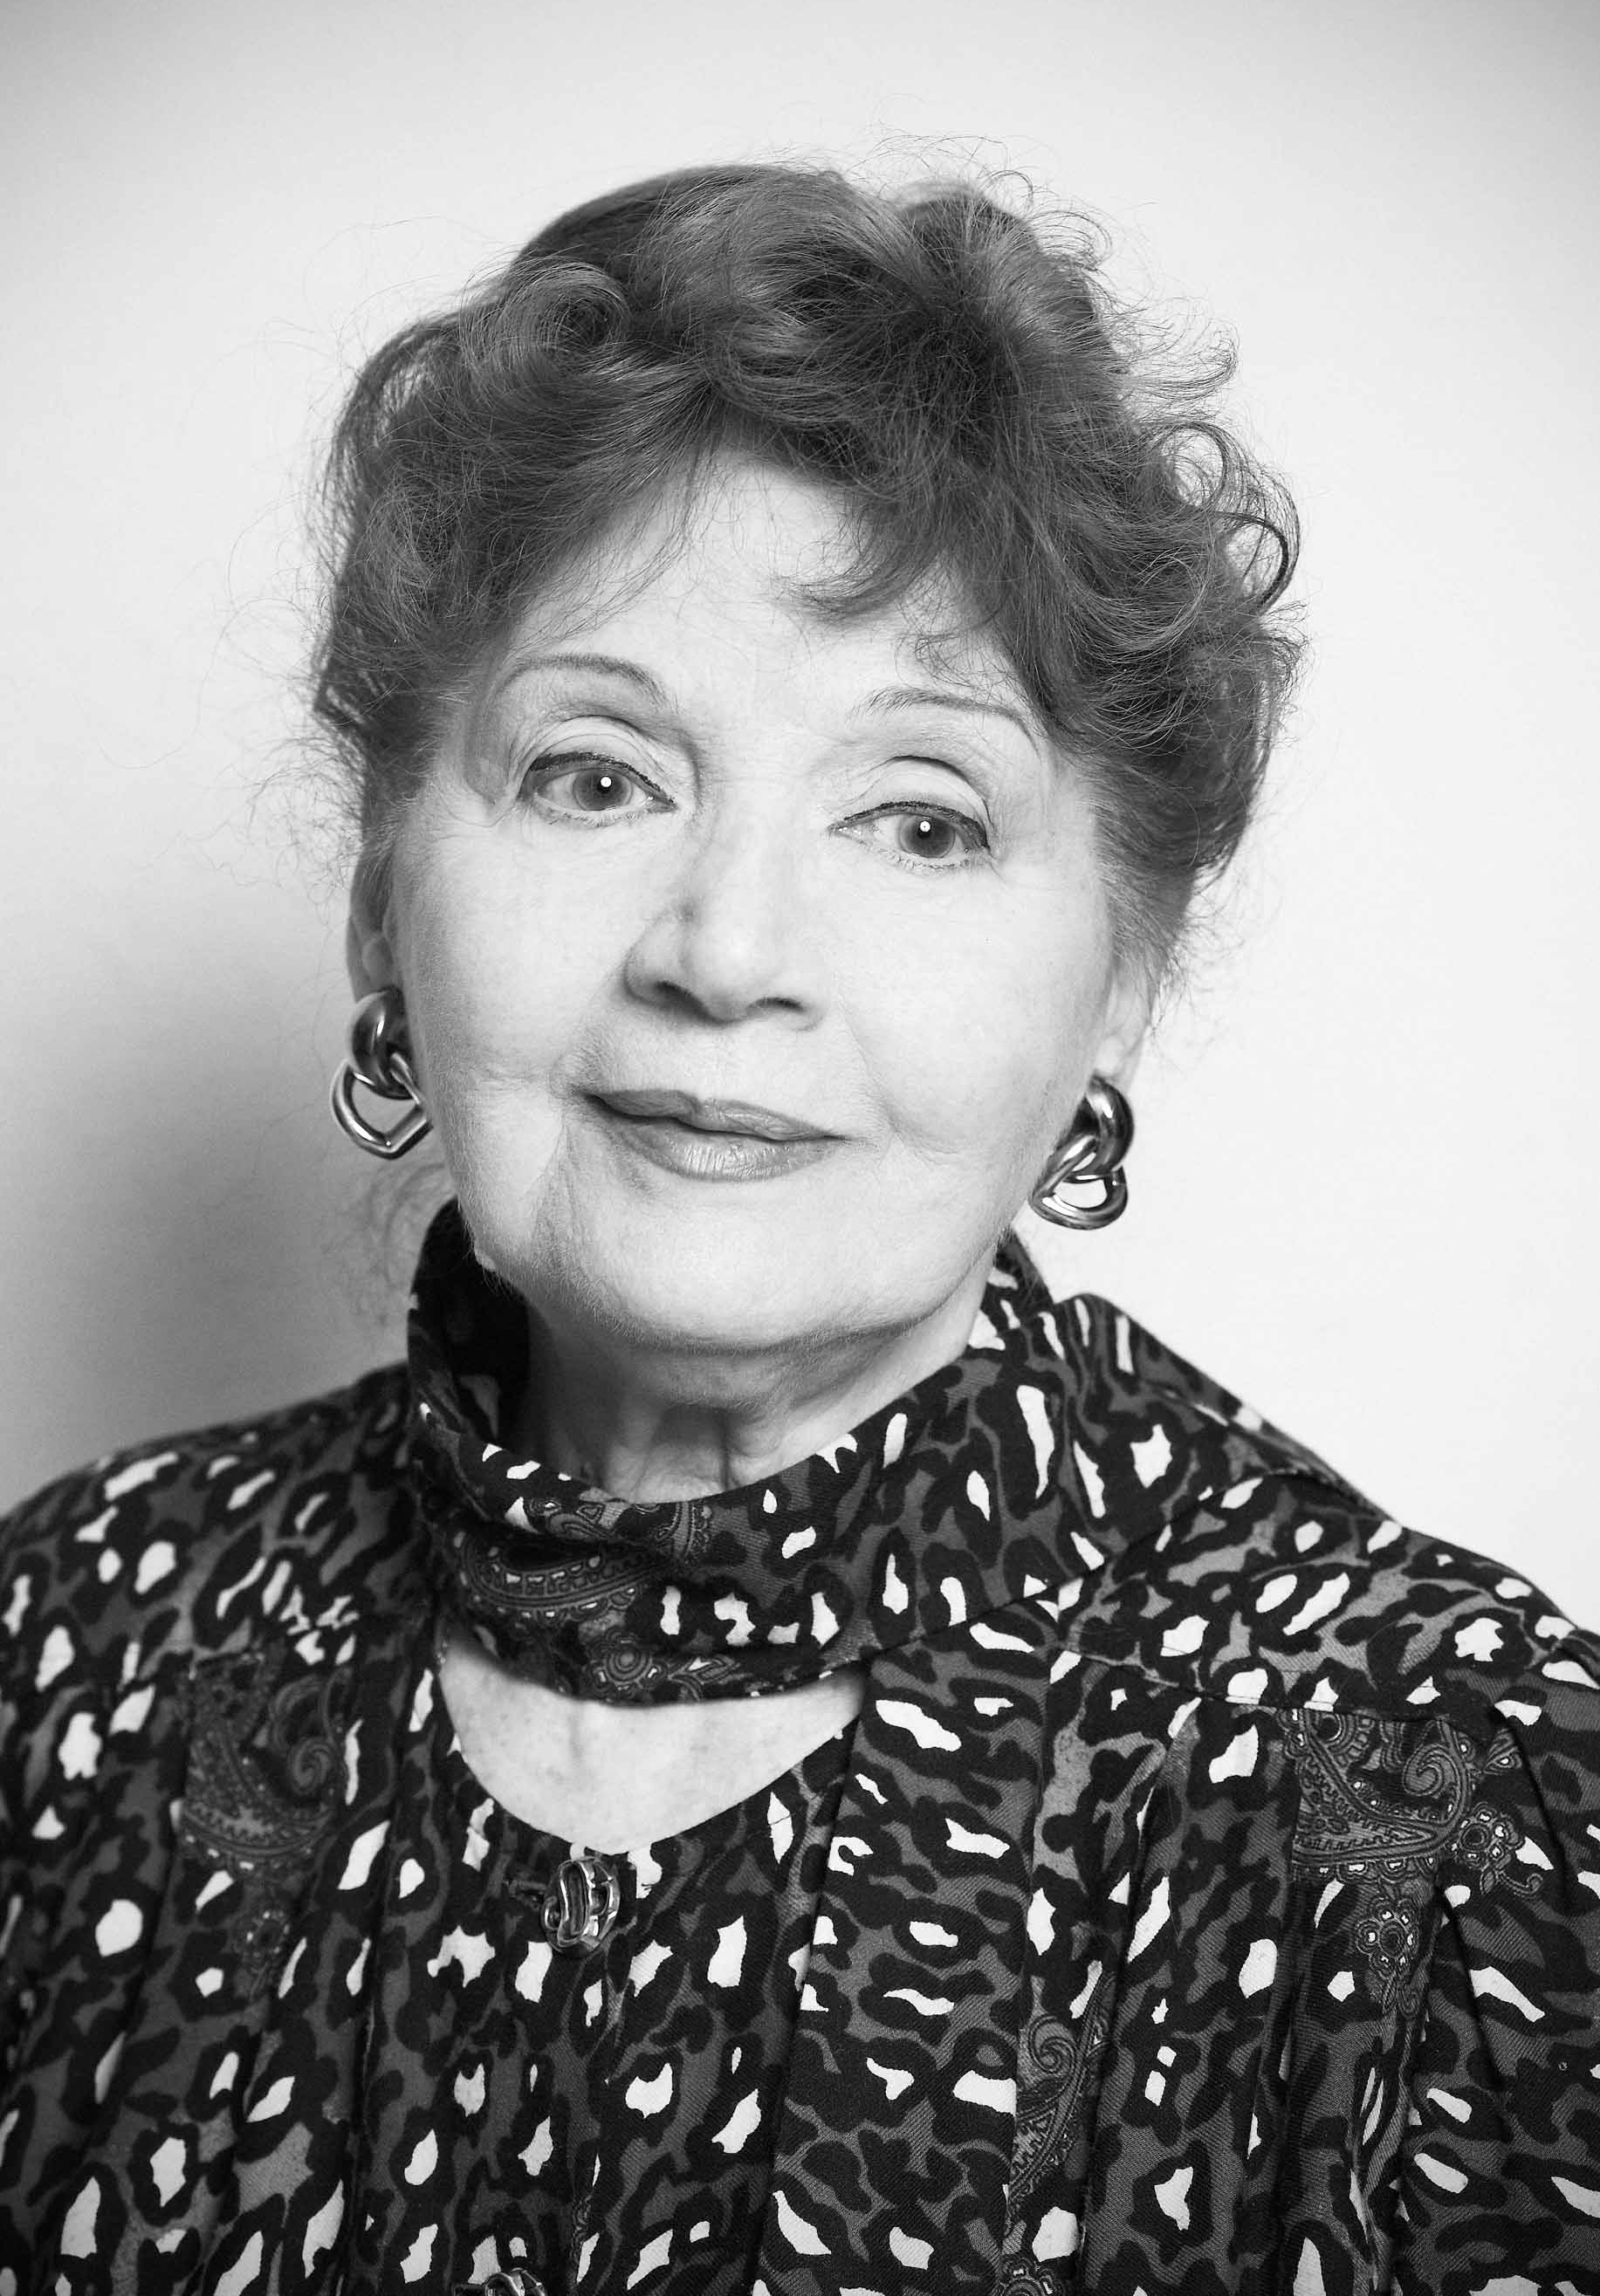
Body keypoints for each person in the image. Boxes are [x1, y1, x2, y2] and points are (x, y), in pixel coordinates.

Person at [2, 161, 1596, 2296]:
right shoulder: (71, 1650)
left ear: (1119, 971)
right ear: (384, 886)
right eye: (594, 775)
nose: (728, 950)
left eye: (918, 818)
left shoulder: (1449, 1786)